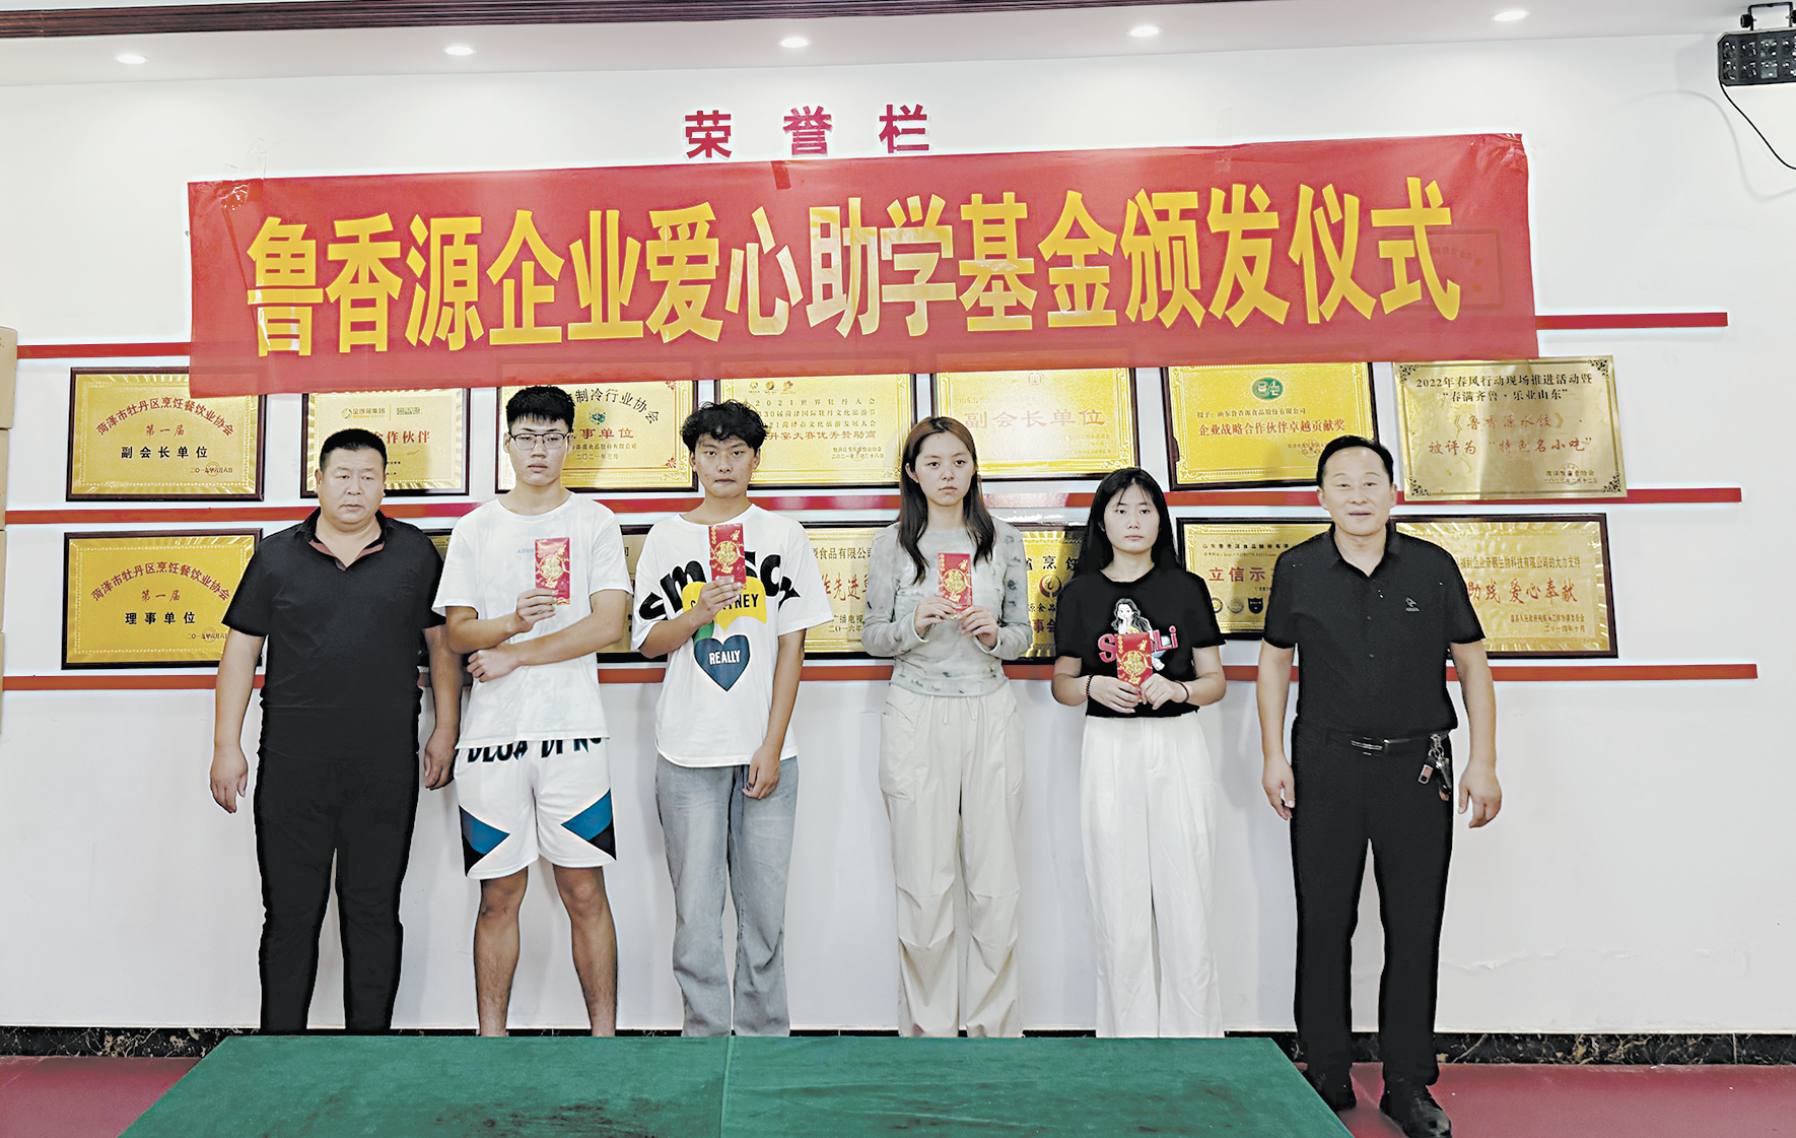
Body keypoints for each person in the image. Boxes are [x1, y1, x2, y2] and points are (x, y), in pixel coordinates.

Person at [1255, 434, 1503, 1138]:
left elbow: (1473, 665)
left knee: (1414, 924)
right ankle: (1326, 1071)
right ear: (1321, 496)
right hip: (1325, 764)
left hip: (1416, 768)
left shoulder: (1432, 566)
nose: (1357, 495)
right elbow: (1274, 663)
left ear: (1393, 493)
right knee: (1324, 919)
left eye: (1370, 482)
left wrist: (1483, 761)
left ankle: (1407, 1084)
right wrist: (1273, 754)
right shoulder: (1298, 568)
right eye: (1342, 483)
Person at [210, 427, 460, 1034]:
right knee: (290, 915)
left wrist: (445, 728)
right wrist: (225, 746)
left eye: (368, 476)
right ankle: (280, 1052)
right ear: (318, 481)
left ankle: (368, 1053)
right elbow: (240, 653)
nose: (354, 488)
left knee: (373, 911)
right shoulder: (276, 556)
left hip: (384, 763)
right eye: (342, 476)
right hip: (293, 762)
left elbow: (442, 647)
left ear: (384, 484)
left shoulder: (415, 554)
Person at [631, 400, 833, 1036]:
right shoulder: (666, 537)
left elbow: (793, 649)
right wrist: (697, 613)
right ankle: (704, 1036)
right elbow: (648, 643)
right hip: (686, 750)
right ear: (692, 460)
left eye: (737, 452)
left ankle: (765, 1037)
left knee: (764, 914)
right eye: (711, 452)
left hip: (765, 752)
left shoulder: (783, 535)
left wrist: (772, 745)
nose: (724, 464)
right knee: (696, 913)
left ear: (754, 460)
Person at [435, 385, 632, 1037]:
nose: (539, 450)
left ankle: (604, 1041)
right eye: (527, 437)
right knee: (498, 896)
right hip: (491, 740)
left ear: (569, 443)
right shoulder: (476, 528)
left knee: (584, 891)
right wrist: (510, 624)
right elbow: (457, 632)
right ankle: (491, 1040)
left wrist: (517, 654)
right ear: (508, 444)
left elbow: (608, 625)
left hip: (574, 735)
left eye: (551, 437)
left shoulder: (595, 522)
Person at [862, 417, 1032, 1038]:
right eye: (933, 463)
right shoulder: (892, 545)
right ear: (912, 473)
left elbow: (1023, 633)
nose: (947, 475)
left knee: (994, 882)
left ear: (974, 467)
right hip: (915, 710)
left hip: (989, 707)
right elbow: (872, 635)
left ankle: (994, 1033)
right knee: (923, 883)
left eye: (959, 461)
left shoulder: (1003, 540)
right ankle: (927, 1035)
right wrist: (913, 626)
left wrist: (994, 636)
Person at [1049, 468, 1228, 1038]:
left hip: (1177, 745)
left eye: (1145, 510)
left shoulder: (1186, 588)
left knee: (1187, 895)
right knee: (1117, 897)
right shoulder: (1079, 593)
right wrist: (1091, 686)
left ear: (1160, 520)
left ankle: (1194, 1042)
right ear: (1102, 521)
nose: (1133, 521)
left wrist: (1179, 690)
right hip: (1109, 747)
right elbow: (1061, 684)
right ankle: (1126, 1043)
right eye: (1121, 510)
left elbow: (1215, 681)